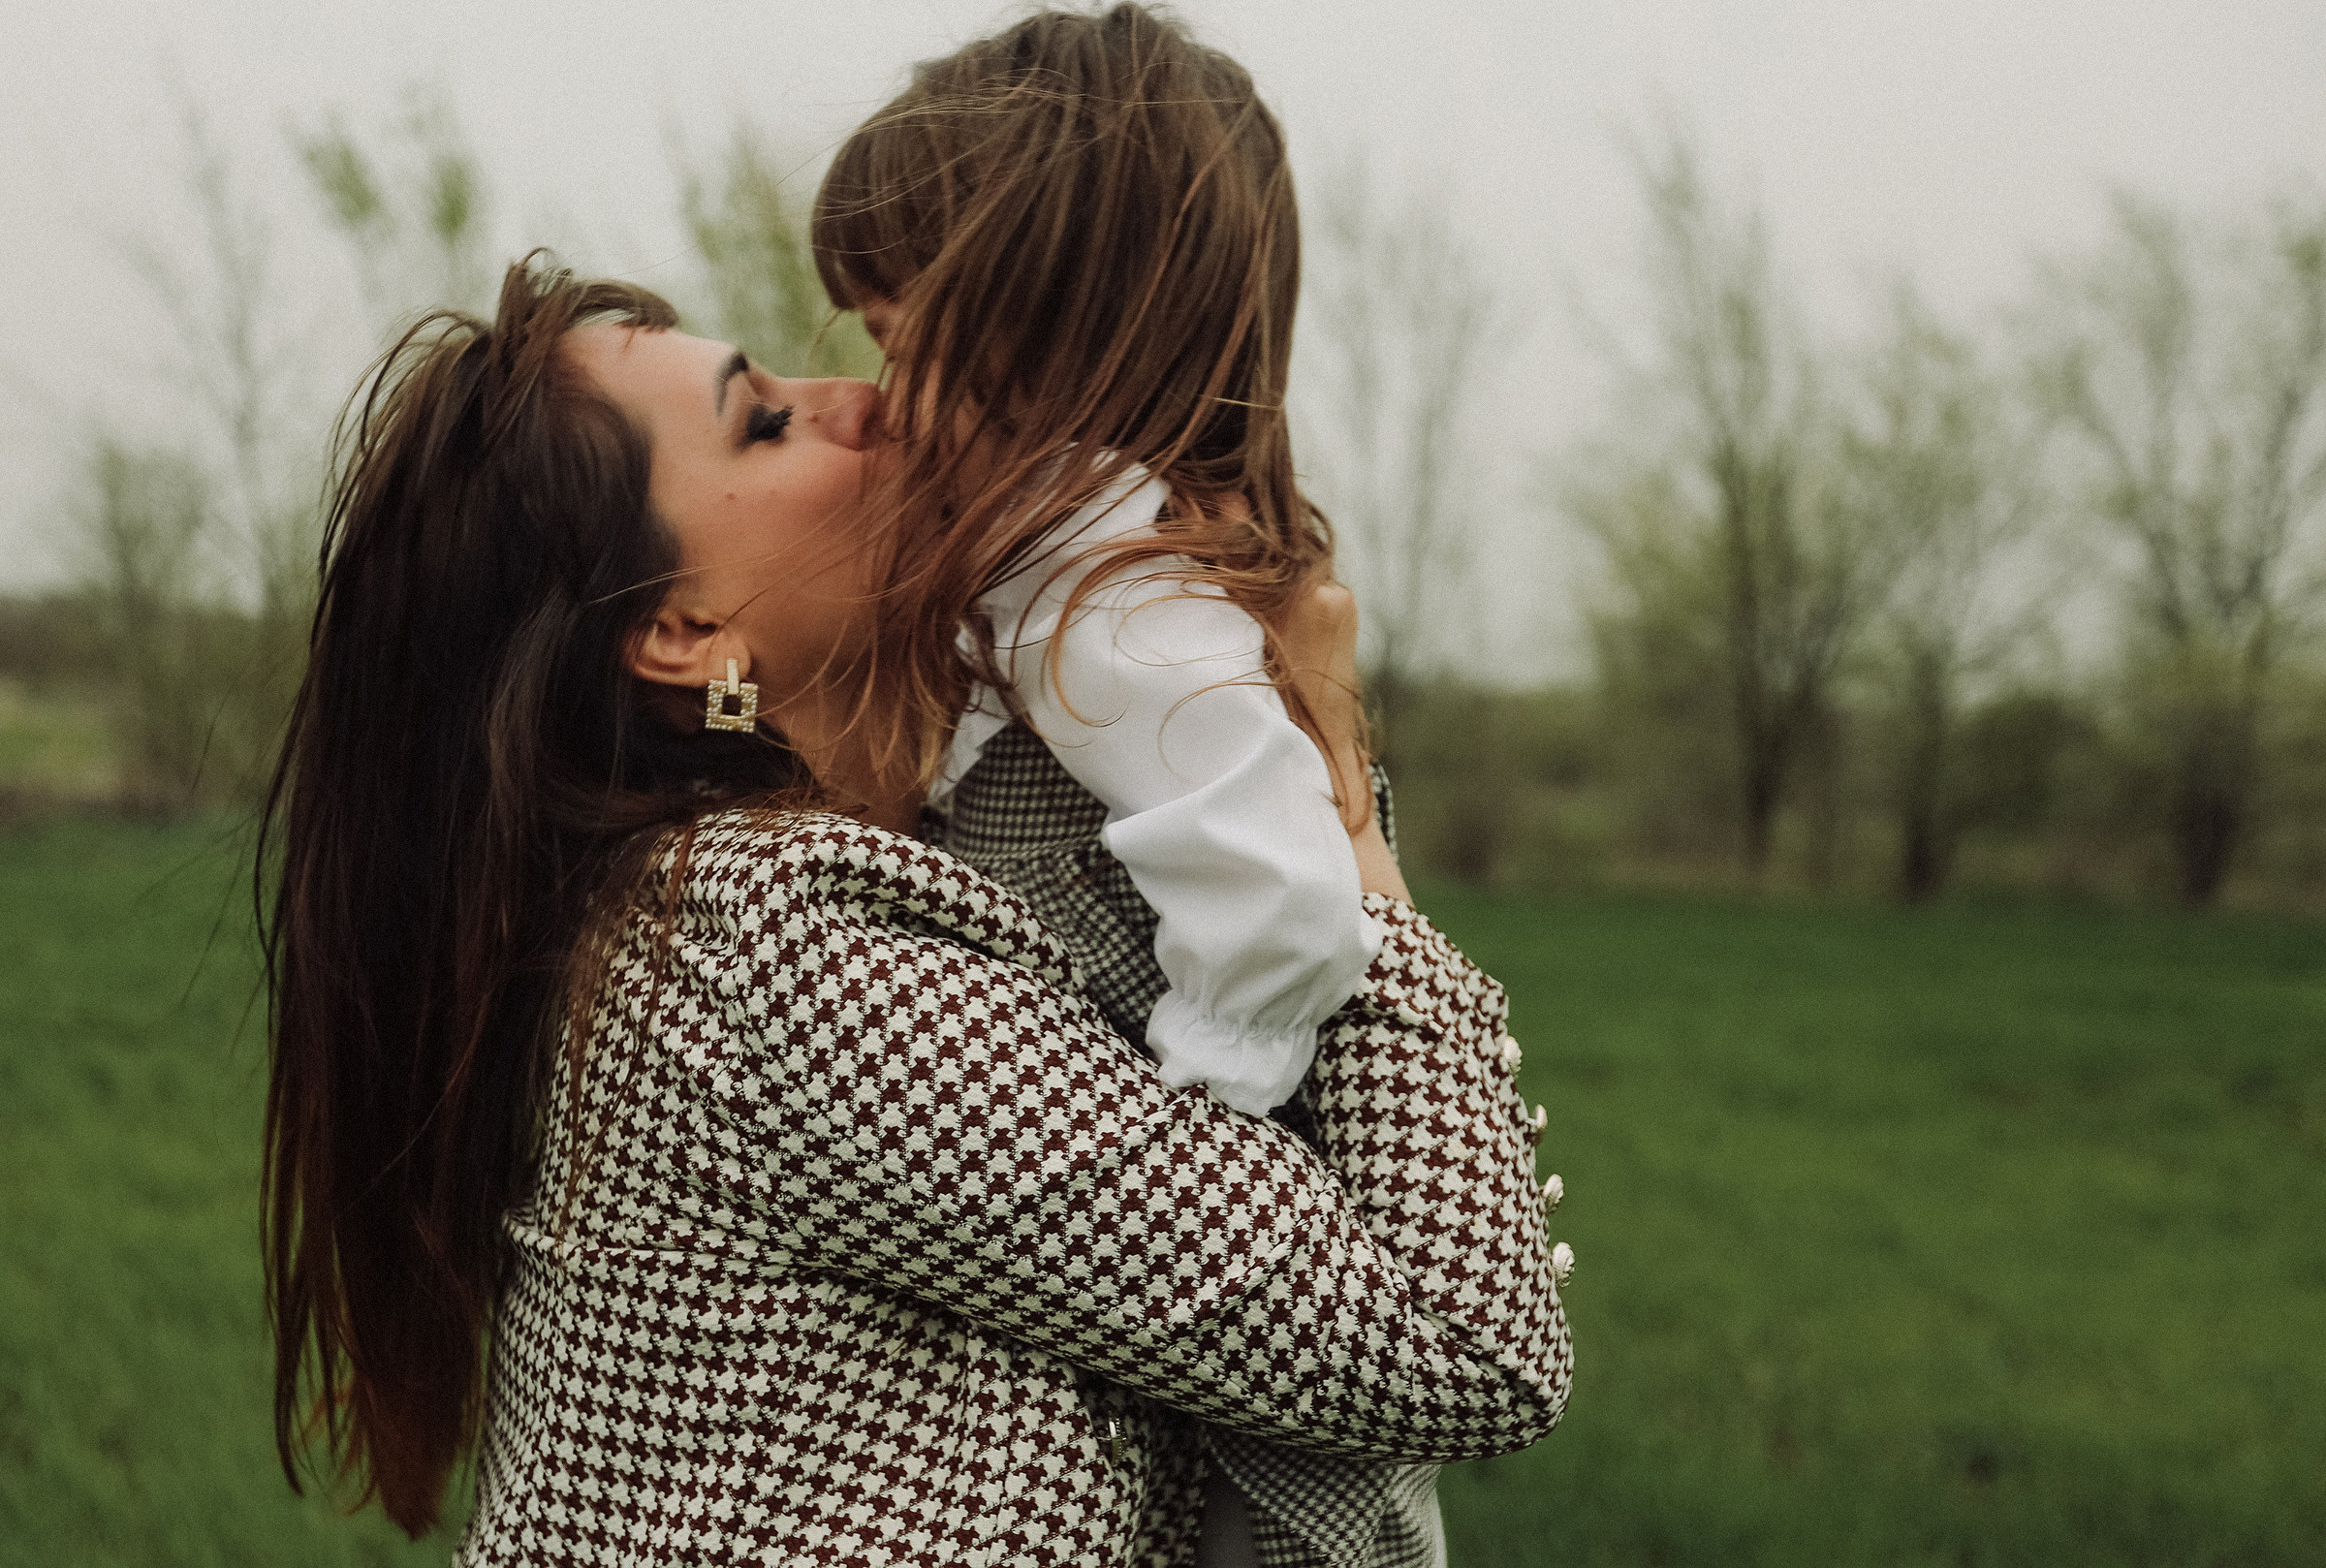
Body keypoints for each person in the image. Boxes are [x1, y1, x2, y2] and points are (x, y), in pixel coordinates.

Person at [259, 261, 1573, 1566]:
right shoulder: (773, 954)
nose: (863, 399)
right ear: (686, 629)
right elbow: (1462, 1340)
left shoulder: (732, 910)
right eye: (765, 421)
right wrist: (1330, 787)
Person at [809, 8, 1493, 1561]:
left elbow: (1287, 900)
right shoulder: (1058, 573)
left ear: (1059, 323)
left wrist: (1190, 1124)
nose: (884, 400)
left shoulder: (1122, 609)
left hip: (1248, 1381)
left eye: (905, 346)